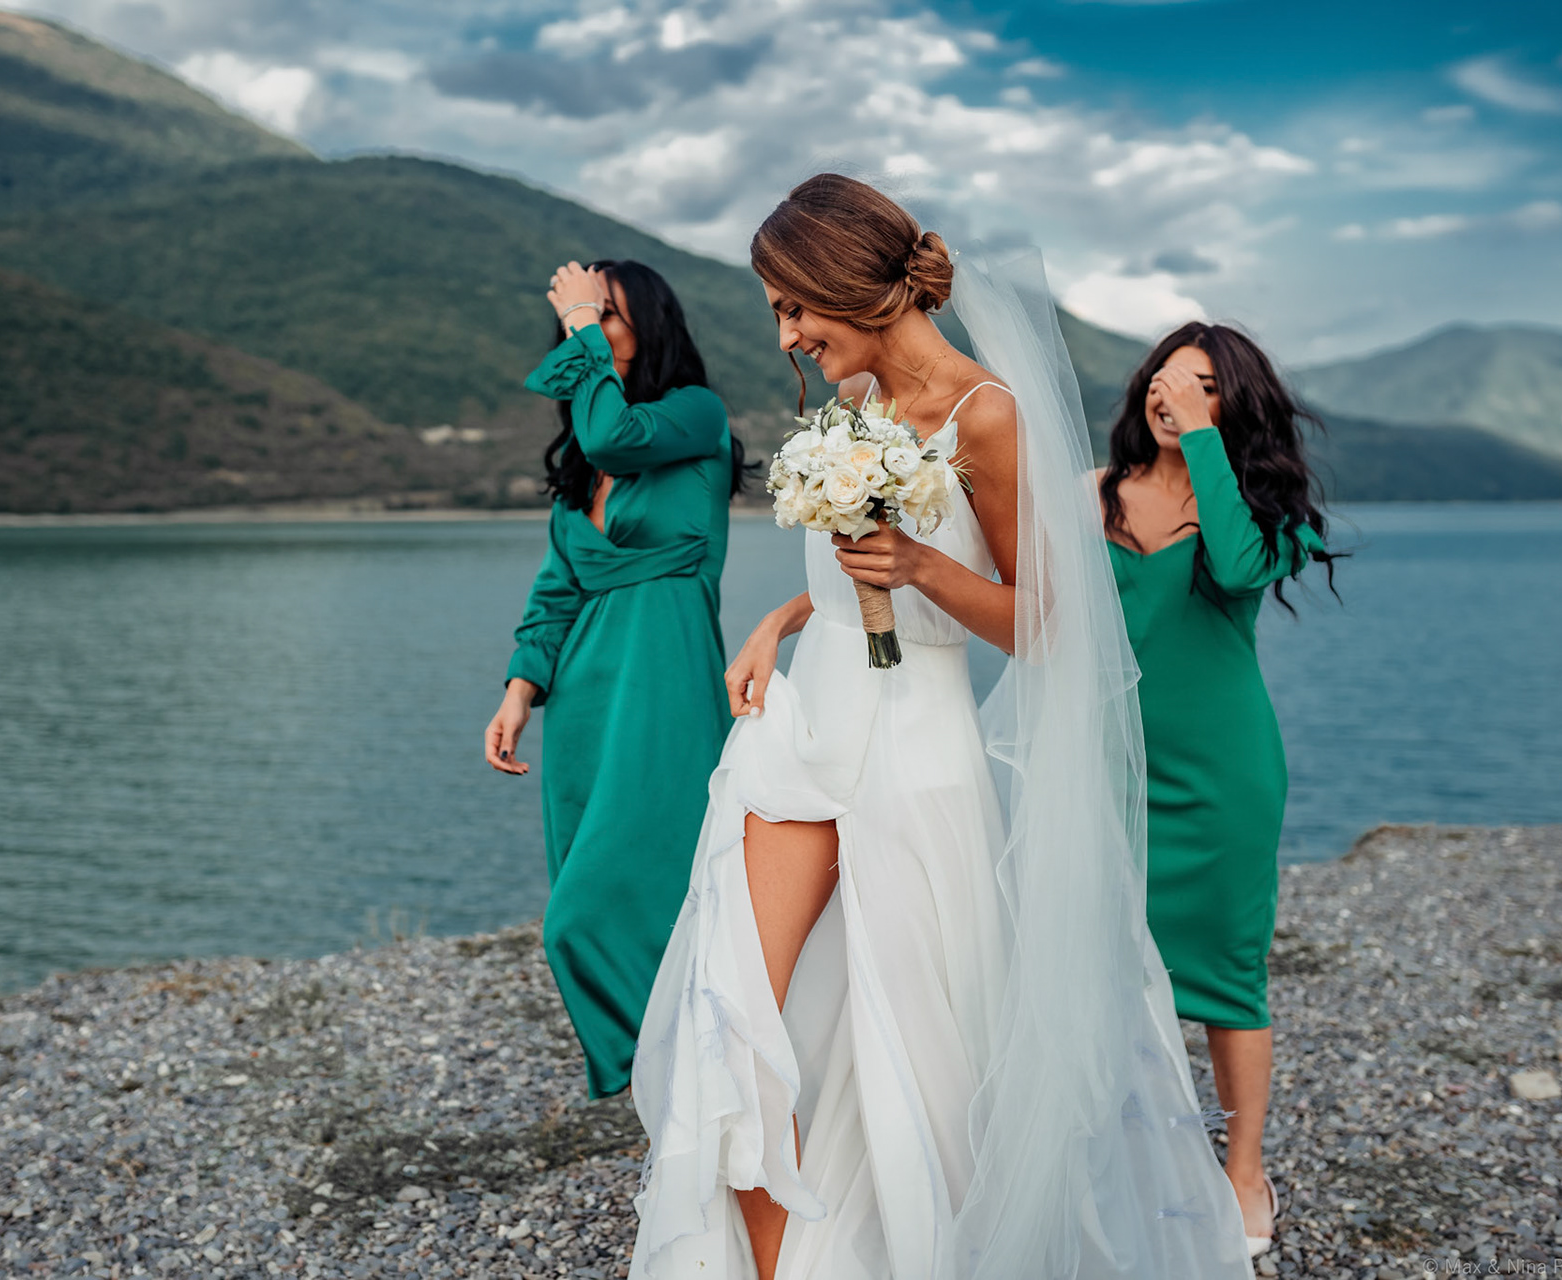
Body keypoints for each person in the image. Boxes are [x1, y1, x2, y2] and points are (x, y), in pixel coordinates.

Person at [629, 174, 1253, 1280]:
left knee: (916, 1056)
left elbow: (1046, 623)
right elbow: (847, 570)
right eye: (778, 312)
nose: (787, 336)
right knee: (735, 1013)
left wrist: (920, 566)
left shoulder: (988, 415)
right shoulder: (855, 405)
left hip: (914, 753)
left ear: (848, 284)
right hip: (804, 729)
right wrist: (782, 619)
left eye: (794, 306)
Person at [1098, 322, 1341, 1256]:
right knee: (1117, 972)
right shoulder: (1095, 495)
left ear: (1235, 405)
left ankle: (1244, 1173)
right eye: (1165, 380)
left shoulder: (1267, 515)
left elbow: (1236, 569)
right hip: (1116, 771)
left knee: (1230, 978)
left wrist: (1202, 440)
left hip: (1224, 777)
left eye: (1203, 387)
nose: (1175, 397)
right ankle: (1137, 1164)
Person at [484, 258, 747, 1099]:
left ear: (652, 327)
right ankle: (678, 1090)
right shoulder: (580, 459)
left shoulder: (695, 417)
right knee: (596, 894)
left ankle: (686, 1065)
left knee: (603, 906)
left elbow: (614, 437)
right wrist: (520, 692)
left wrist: (578, 326)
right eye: (588, 315)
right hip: (583, 703)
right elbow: (557, 585)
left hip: (663, 686)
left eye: (608, 314)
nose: (594, 328)